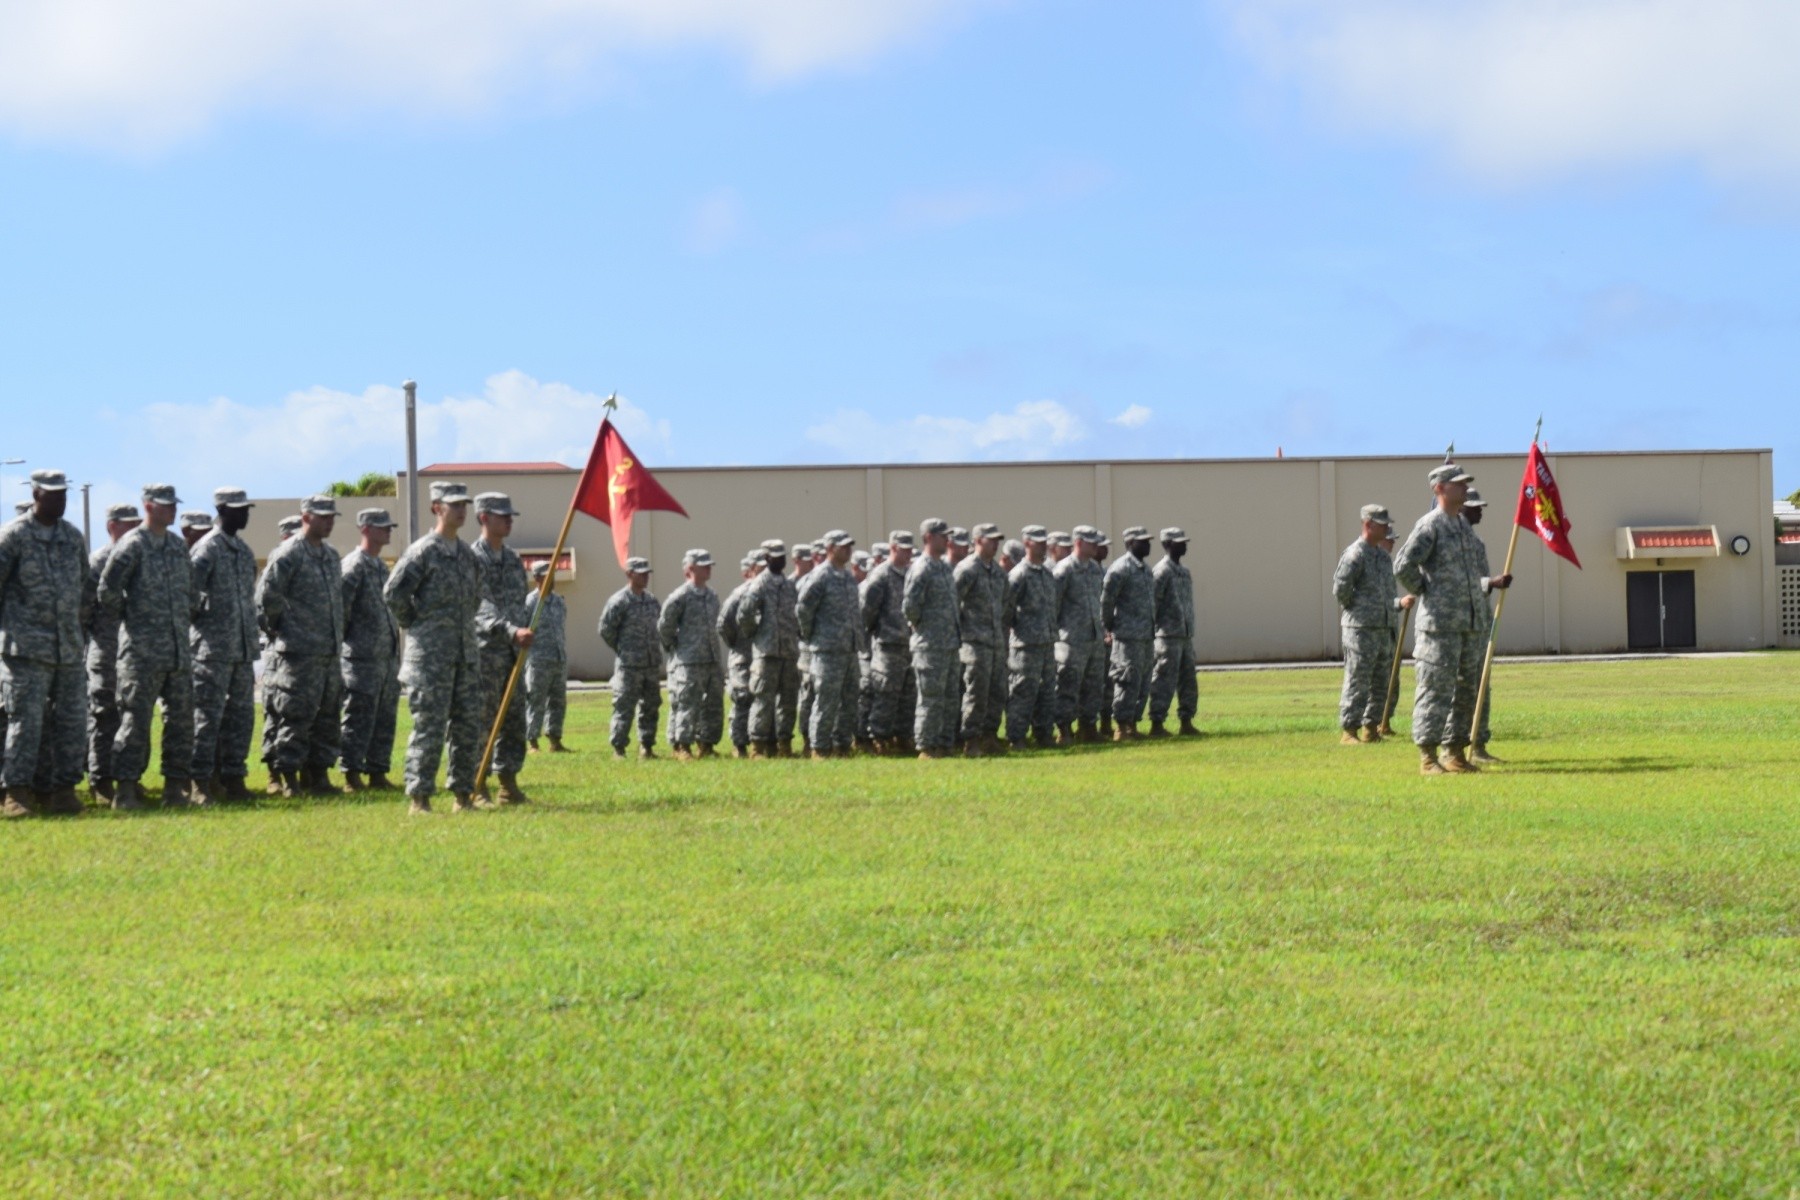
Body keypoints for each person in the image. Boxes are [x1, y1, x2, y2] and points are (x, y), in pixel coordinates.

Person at [1394, 463, 1509, 775]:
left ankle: (1455, 752)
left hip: (1469, 627)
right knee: (1435, 689)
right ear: (1439, 489)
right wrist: (1427, 591)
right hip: (1440, 627)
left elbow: (1475, 578)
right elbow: (1403, 564)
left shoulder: (1463, 530)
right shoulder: (1430, 526)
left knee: (1466, 690)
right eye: (1458, 484)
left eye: (1465, 483)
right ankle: (1428, 757)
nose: (1464, 488)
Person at [384, 480, 484, 814]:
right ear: (436, 508)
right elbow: (393, 593)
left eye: (463, 504)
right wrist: (417, 624)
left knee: (467, 727)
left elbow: (474, 600)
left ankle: (462, 795)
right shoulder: (423, 551)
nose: (461, 510)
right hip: (429, 658)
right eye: (453, 504)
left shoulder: (468, 556)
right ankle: (420, 798)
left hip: (464, 654)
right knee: (429, 727)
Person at [96, 483, 195, 810]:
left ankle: (175, 789)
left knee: (180, 722)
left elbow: (189, 593)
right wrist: (135, 616)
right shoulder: (131, 545)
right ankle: (125, 790)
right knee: (135, 722)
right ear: (149, 506)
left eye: (174, 504)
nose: (173, 510)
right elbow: (107, 592)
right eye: (167, 505)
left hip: (178, 651)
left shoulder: (178, 547)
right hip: (141, 652)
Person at [0, 470, 90, 818]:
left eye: (63, 494)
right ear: (36, 494)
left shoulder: (72, 537)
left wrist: (74, 627)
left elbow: (83, 586)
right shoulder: (13, 536)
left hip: (67, 648)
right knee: (25, 723)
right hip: (25, 650)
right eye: (52, 494)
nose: (60, 500)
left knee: (70, 722)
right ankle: (16, 793)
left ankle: (63, 792)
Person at [256, 495, 347, 797]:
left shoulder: (332, 556)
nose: (329, 521)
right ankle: (289, 777)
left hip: (329, 652)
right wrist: (283, 630)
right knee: (295, 715)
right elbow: (266, 598)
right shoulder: (289, 553)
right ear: (305, 517)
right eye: (322, 516)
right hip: (298, 653)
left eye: (332, 516)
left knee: (327, 716)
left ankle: (318, 776)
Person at [188, 486, 260, 803]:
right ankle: (200, 782)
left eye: (246, 508)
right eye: (238, 509)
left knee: (241, 718)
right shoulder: (207, 549)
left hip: (242, 650)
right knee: (206, 718)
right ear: (222, 511)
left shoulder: (243, 551)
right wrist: (206, 621)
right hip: (211, 650)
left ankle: (234, 779)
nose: (245, 514)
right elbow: (187, 594)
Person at [469, 492, 535, 804]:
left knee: (513, 720)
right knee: (482, 722)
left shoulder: (512, 560)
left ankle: (508, 782)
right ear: (483, 517)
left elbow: (520, 602)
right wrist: (510, 631)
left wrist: (523, 631)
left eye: (510, 515)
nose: (509, 520)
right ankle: (477, 784)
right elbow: (478, 608)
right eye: (501, 515)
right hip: (485, 653)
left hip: (513, 653)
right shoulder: (471, 560)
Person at [1333, 506, 1411, 744]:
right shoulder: (1354, 554)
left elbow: (1388, 593)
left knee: (1381, 681)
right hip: (1361, 629)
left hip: (1384, 628)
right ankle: (1349, 730)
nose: (1387, 528)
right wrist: (1362, 611)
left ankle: (1371, 727)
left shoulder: (1382, 557)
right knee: (1358, 679)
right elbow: (1341, 591)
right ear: (1368, 525)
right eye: (1382, 524)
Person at [339, 507, 402, 790]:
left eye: (389, 526)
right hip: (361, 658)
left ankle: (377, 772)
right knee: (358, 717)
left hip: (385, 658)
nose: (388, 530)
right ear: (365, 528)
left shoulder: (380, 566)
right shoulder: (353, 566)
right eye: (382, 526)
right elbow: (341, 613)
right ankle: (352, 773)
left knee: (384, 717)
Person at [84, 502, 141, 802]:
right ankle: (101, 780)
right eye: (127, 524)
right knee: (104, 714)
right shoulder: (99, 561)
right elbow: (84, 607)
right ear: (111, 526)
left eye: (136, 523)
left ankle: (127, 777)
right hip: (105, 649)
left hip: (132, 650)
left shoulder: (140, 557)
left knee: (131, 715)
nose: (133, 529)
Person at [797, 531, 860, 757]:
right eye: (843, 546)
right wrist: (812, 636)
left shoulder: (847, 576)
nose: (848, 550)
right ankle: (820, 748)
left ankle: (843, 745)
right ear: (831, 548)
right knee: (826, 700)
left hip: (850, 649)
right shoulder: (820, 576)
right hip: (827, 650)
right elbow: (803, 610)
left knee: (850, 699)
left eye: (850, 546)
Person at [903, 518, 962, 759]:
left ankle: (945, 745)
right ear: (928, 537)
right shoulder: (921, 568)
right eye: (941, 536)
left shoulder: (944, 567)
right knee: (930, 699)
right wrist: (923, 628)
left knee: (949, 698)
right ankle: (927, 747)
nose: (947, 540)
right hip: (929, 645)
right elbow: (910, 607)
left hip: (949, 644)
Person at [738, 539, 802, 757]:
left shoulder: (789, 585)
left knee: (788, 701)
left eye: (782, 555)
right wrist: (755, 634)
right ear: (766, 559)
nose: (780, 560)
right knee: (763, 701)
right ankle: (758, 746)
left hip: (788, 652)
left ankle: (784, 744)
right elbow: (744, 614)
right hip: (767, 653)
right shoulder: (759, 585)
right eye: (775, 556)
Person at [659, 549, 724, 759]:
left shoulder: (712, 595)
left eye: (709, 565)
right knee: (687, 703)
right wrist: (675, 649)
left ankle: (706, 745)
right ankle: (683, 746)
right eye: (703, 565)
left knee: (713, 703)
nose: (708, 568)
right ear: (690, 569)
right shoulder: (680, 597)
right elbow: (665, 627)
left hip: (712, 658)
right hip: (689, 660)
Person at [859, 531, 917, 755]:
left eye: (910, 549)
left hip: (908, 645)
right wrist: (878, 633)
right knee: (885, 694)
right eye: (903, 549)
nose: (908, 553)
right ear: (893, 548)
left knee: (907, 695)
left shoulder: (911, 573)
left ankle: (902, 737)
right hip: (888, 644)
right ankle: (879, 739)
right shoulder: (880, 576)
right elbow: (867, 612)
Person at [954, 522, 1008, 756]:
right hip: (974, 643)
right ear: (977, 541)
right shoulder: (966, 569)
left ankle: (989, 736)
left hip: (996, 642)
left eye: (997, 540)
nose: (996, 544)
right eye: (991, 540)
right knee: (976, 692)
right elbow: (952, 604)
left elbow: (1005, 603)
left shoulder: (997, 572)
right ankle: (971, 739)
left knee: (997, 692)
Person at [1462, 489, 1507, 764]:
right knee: (1463, 687)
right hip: (1460, 625)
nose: (1480, 511)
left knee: (1481, 686)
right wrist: (1489, 583)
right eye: (1475, 507)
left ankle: (1478, 745)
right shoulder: (1454, 541)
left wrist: (1488, 585)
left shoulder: (1476, 542)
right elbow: (1457, 582)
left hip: (1479, 623)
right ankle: (1457, 745)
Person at [600, 556, 662, 759]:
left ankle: (647, 746)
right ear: (629, 574)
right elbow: (606, 630)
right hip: (629, 664)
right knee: (624, 706)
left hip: (651, 663)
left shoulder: (651, 600)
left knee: (651, 706)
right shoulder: (619, 601)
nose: (645, 577)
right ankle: (619, 748)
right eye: (641, 573)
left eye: (647, 573)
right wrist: (623, 649)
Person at [1004, 525, 1059, 749]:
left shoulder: (1046, 574)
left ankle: (1044, 734)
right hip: (1025, 643)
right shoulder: (1018, 574)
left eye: (1045, 541)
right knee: (1023, 690)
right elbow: (1007, 608)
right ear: (1027, 543)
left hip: (1046, 641)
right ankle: (1016, 736)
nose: (1043, 545)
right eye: (1038, 541)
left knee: (1047, 690)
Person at [1102, 525, 1156, 740]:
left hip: (1145, 636)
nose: (1148, 544)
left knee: (1143, 682)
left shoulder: (1146, 569)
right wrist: (1110, 626)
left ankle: (1133, 724)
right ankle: (1121, 727)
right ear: (1131, 543)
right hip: (1127, 637)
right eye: (1143, 541)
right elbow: (1106, 601)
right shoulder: (1120, 568)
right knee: (1126, 680)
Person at [1053, 525, 1106, 745]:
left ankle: (1088, 727)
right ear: (1078, 543)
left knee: (1093, 685)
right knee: (1068, 685)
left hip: (1094, 637)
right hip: (1071, 639)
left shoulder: (1095, 570)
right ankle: (1064, 729)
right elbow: (1053, 605)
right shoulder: (1063, 570)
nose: (1096, 545)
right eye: (1090, 541)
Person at [1148, 527, 1201, 737]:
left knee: (1188, 680)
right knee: (1163, 680)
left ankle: (1186, 721)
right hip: (1167, 636)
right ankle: (1157, 724)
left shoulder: (1183, 572)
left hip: (1185, 634)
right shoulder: (1161, 571)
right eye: (1180, 542)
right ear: (1168, 544)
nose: (1184, 545)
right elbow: (1153, 603)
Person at [717, 550, 764, 758]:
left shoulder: (770, 592)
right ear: (751, 569)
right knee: (742, 698)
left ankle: (760, 743)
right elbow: (723, 623)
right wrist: (736, 644)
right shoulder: (740, 593)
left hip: (762, 655)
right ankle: (739, 745)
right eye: (760, 567)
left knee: (762, 700)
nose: (763, 570)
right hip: (743, 655)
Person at [523, 561, 570, 754]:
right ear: (537, 578)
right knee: (536, 700)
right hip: (538, 660)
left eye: (553, 575)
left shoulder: (559, 601)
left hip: (558, 658)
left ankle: (555, 740)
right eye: (546, 576)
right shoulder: (530, 603)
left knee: (558, 701)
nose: (551, 580)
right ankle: (532, 741)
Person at [792, 543, 817, 753]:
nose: (812, 562)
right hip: (797, 647)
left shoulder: (815, 581)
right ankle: (806, 737)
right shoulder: (791, 584)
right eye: (808, 558)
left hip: (811, 646)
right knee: (806, 695)